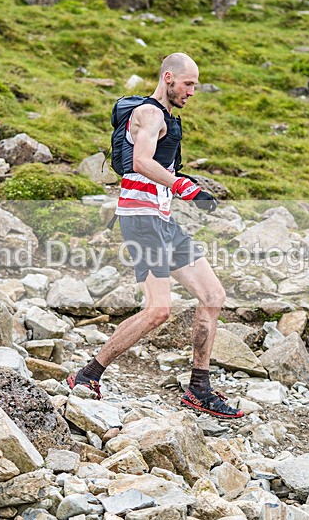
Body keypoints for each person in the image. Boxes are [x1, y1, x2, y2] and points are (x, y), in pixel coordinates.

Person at [67, 52, 244, 419]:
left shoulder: (167, 118)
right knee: (158, 310)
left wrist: (183, 187)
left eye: (194, 84)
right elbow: (141, 162)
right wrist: (186, 188)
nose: (192, 91)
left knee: (213, 295)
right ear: (168, 77)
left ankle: (199, 388)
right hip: (141, 220)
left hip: (162, 220)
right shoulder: (148, 114)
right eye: (188, 83)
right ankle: (88, 375)